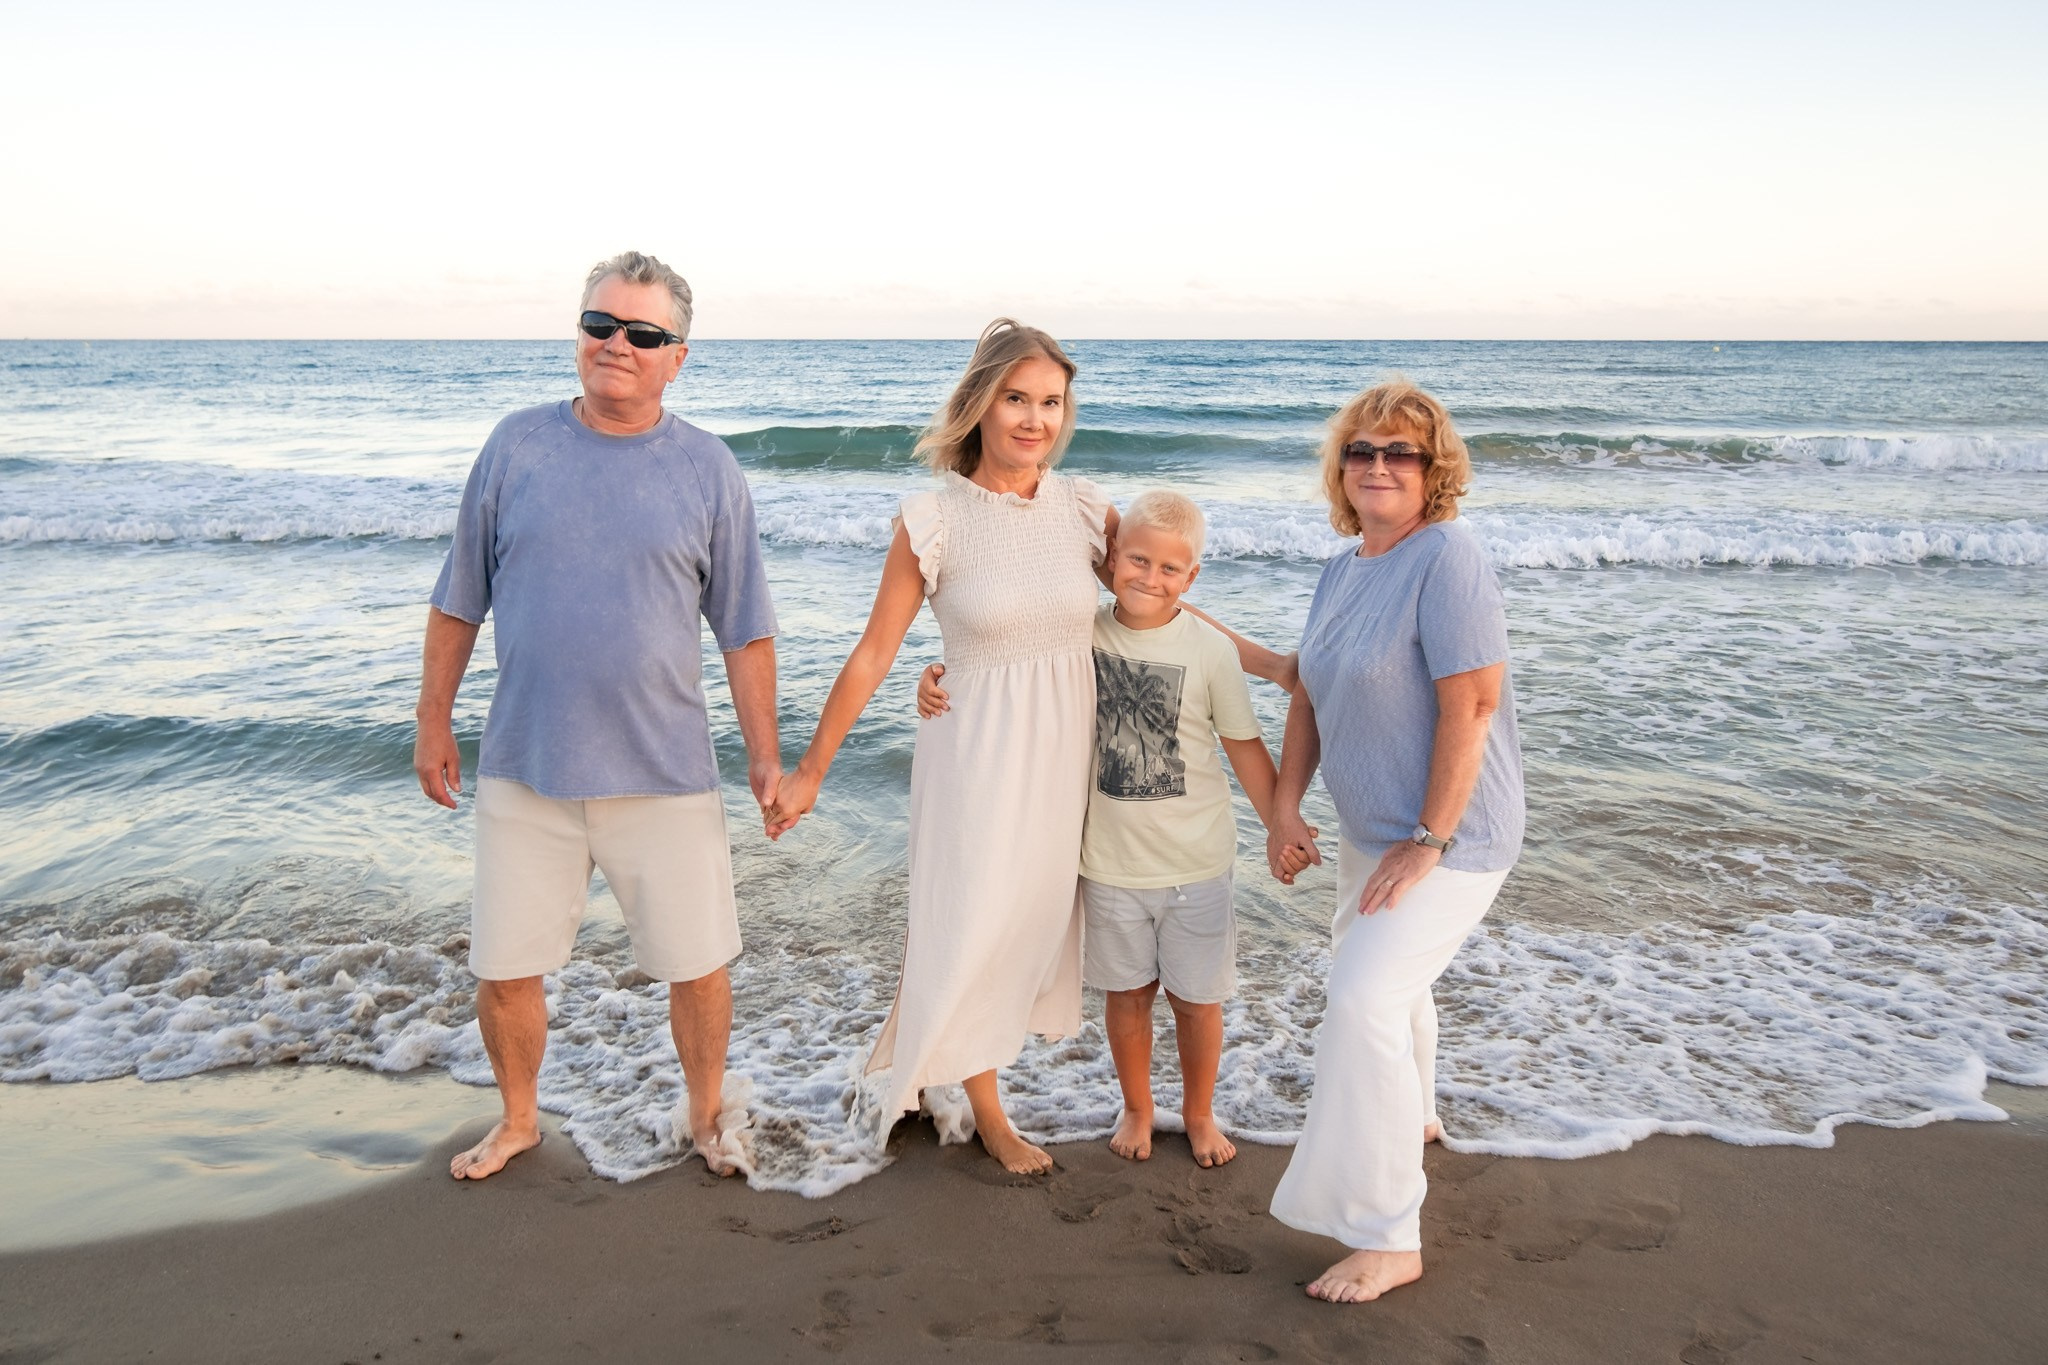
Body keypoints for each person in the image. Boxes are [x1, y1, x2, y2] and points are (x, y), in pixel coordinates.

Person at [413, 251, 783, 1182]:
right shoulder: (515, 445)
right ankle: (520, 1120)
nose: (616, 344)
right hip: (525, 765)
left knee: (697, 962)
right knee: (505, 964)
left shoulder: (708, 467)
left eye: (642, 334)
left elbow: (745, 629)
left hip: (666, 769)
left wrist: (766, 760)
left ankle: (705, 1113)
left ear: (677, 357)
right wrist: (432, 719)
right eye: (599, 325)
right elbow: (461, 597)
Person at [765, 318, 1112, 1175]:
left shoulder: (1087, 509)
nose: (1035, 418)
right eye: (1017, 398)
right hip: (977, 753)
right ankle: (988, 1107)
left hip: (1066, 753)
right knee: (971, 917)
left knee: (1029, 917)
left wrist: (1272, 668)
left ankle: (929, 1061)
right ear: (981, 403)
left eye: (1051, 402)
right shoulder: (935, 520)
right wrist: (811, 769)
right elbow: (875, 652)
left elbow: (1159, 604)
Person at [917, 490, 1308, 1168]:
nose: (1149, 578)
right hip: (1109, 864)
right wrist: (947, 674)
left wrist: (1282, 823)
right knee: (1126, 998)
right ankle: (1136, 1105)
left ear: (1191, 578)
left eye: (1169, 569)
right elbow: (1015, 657)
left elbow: (1246, 747)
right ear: (1110, 559)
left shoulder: (1211, 651)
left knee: (1197, 1001)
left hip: (1197, 866)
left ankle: (1199, 1111)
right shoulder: (1084, 633)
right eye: (1136, 560)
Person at [1261, 378, 1525, 1302]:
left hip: (1453, 834)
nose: (1377, 465)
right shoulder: (1343, 567)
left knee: (1363, 999)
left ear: (1432, 468)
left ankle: (1387, 1232)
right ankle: (1413, 1115)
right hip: (1372, 828)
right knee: (1395, 993)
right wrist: (1285, 805)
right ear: (1342, 468)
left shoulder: (1448, 555)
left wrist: (1430, 839)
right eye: (1361, 451)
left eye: (1398, 452)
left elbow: (1475, 703)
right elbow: (1308, 689)